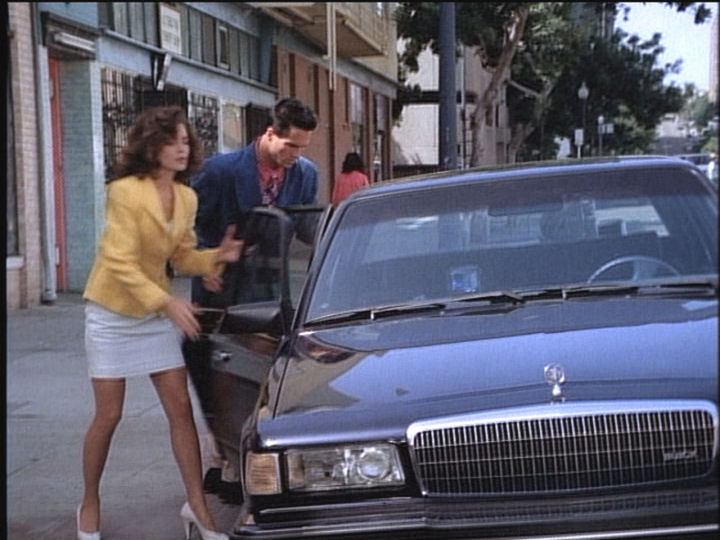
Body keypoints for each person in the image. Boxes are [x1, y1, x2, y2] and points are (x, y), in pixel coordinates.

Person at [78, 106, 242, 540]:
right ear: (152, 146)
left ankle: (198, 507)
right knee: (109, 414)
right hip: (112, 313)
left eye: (186, 141)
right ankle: (90, 501)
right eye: (173, 141)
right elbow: (118, 261)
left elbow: (181, 256)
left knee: (181, 409)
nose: (182, 149)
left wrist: (216, 257)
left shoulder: (187, 197)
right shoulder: (124, 192)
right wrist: (168, 302)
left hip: (153, 314)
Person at [184, 97, 319, 495]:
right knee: (217, 374)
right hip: (220, 285)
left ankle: (244, 457)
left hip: (269, 287)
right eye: (290, 146)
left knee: (259, 374)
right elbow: (189, 227)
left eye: (303, 148)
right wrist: (207, 260)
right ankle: (222, 460)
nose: (295, 155)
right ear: (270, 134)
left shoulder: (304, 173)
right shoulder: (220, 171)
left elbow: (307, 228)